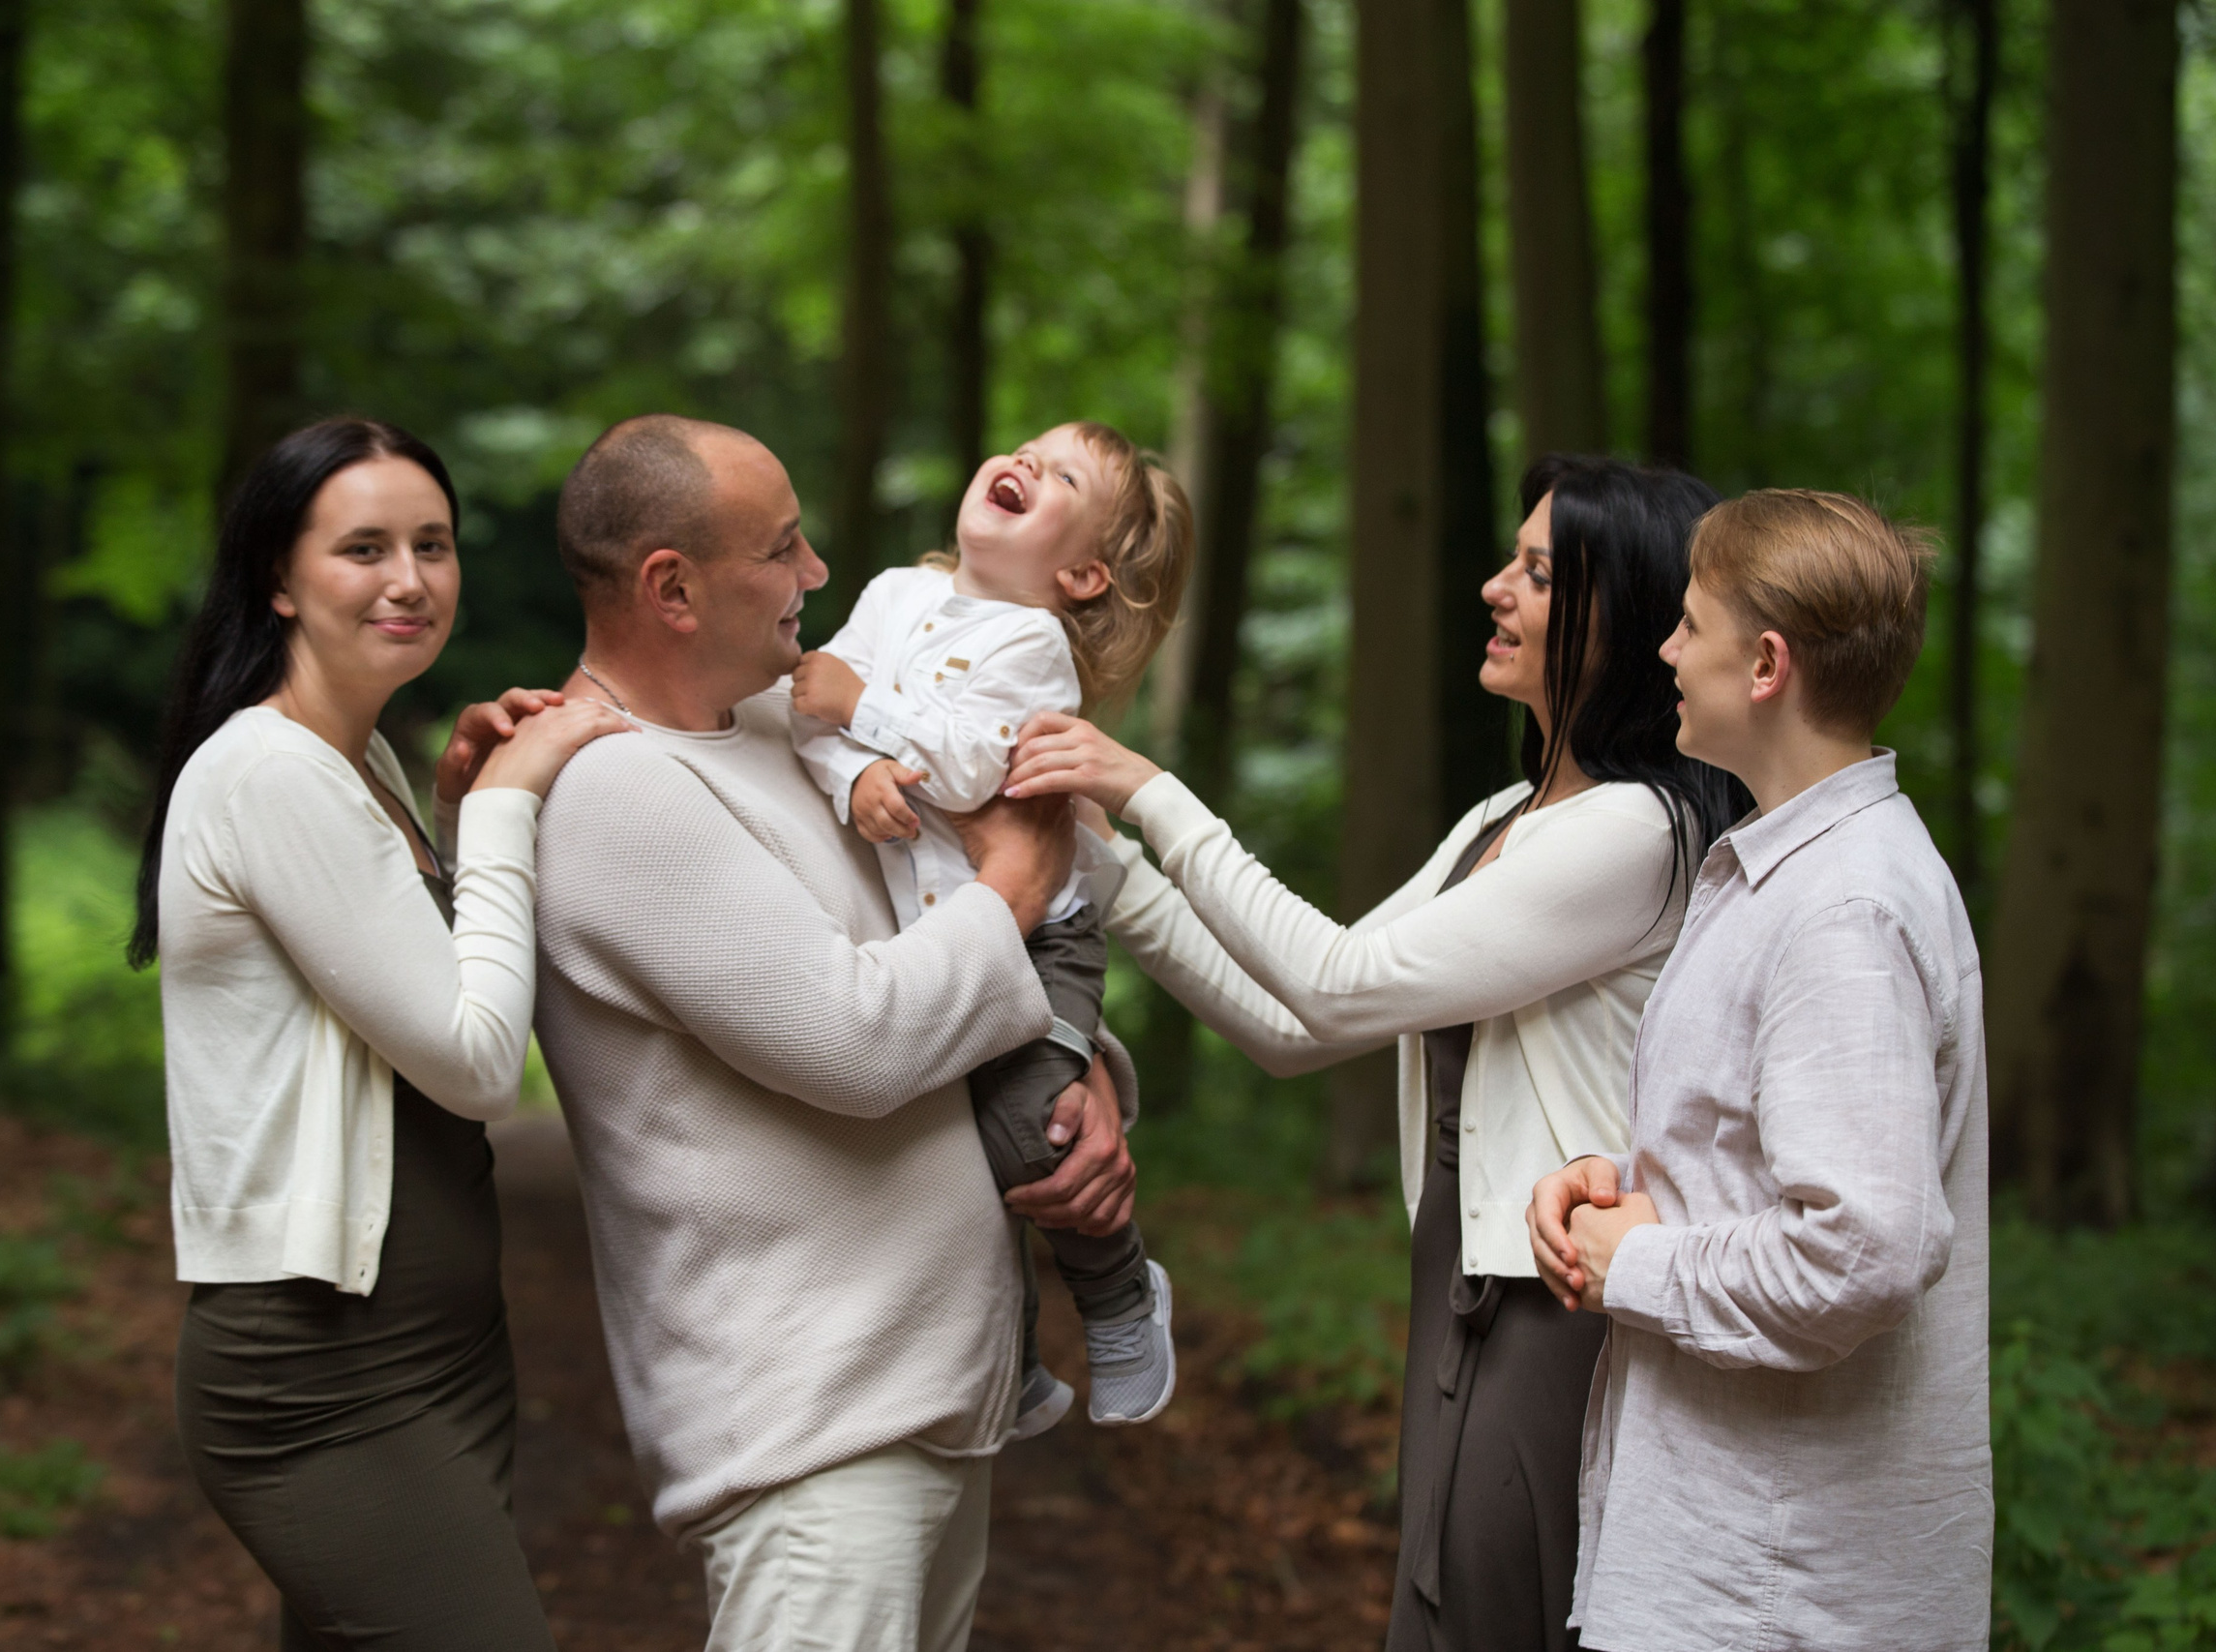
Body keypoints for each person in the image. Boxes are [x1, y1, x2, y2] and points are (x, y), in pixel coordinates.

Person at [1002, 458, 1748, 1652]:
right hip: (1455, 1286)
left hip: (1554, 1300)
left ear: (1627, 619)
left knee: (1493, 1615)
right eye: (1511, 560)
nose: (1496, 589)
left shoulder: (1639, 833)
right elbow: (1296, 1027)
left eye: (1540, 573)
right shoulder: (1498, 826)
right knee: (1434, 1607)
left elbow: (1335, 988)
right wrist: (1098, 861)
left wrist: (1150, 794)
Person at [526, 414, 1139, 1652]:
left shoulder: (776, 735)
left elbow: (929, 950)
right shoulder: (615, 791)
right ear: (672, 587)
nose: (819, 575)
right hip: (807, 1436)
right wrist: (1010, 891)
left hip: (924, 1397)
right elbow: (862, 1040)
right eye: (784, 548)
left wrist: (1085, 1070)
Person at [133, 417, 629, 1650]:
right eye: (363, 547)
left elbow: (408, 990)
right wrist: (512, 810)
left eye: (433, 544)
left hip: (431, 1348)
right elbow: (473, 1066)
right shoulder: (268, 772)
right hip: (321, 1371)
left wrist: (459, 814)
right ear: (278, 579)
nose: (409, 579)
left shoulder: (358, 769)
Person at [1527, 490, 1991, 1651]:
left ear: (1768, 663)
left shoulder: (1842, 908)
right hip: (1735, 1555)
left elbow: (1864, 1249)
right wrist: (1624, 1181)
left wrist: (1636, 1260)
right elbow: (1771, 1159)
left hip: (1778, 1585)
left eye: (1689, 624)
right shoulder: (1781, 868)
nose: (1666, 651)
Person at [789, 420, 1195, 1431]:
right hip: (923, 932)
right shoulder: (891, 595)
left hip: (1031, 938)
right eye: (1024, 448)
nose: (1022, 463)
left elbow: (977, 769)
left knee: (1032, 1137)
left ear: (1084, 575)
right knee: (944, 1174)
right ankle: (1009, 1361)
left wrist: (867, 714)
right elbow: (808, 711)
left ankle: (1118, 1293)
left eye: (1059, 477)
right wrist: (858, 778)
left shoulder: (1034, 647)